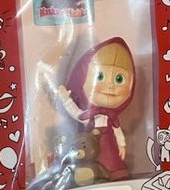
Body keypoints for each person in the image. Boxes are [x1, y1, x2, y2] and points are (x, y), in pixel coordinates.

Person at [58, 37, 136, 180]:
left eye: (119, 79)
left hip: (109, 147)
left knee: (112, 163)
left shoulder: (111, 118)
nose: (110, 86)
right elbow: (76, 113)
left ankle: (112, 173)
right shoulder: (89, 116)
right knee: (90, 161)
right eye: (100, 76)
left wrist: (122, 146)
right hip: (89, 147)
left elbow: (118, 132)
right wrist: (66, 100)